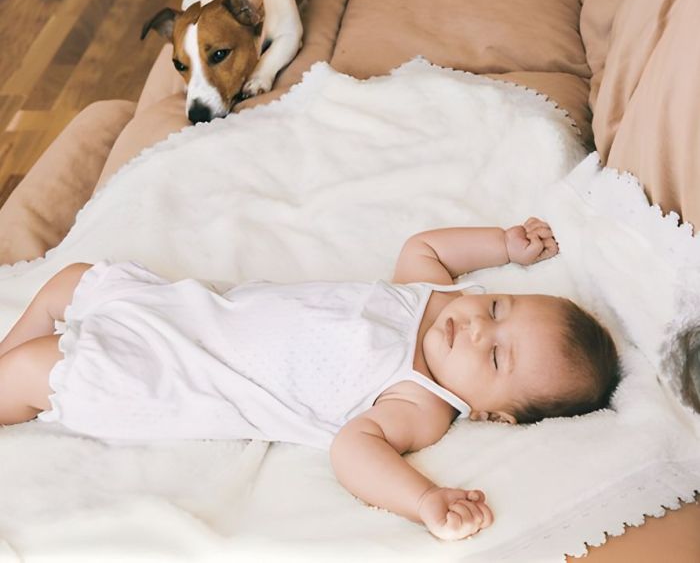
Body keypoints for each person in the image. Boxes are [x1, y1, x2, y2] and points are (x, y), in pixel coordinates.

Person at [0, 218, 620, 541]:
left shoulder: (421, 400)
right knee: (72, 281)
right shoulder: (431, 297)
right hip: (190, 311)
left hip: (182, 373)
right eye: (497, 309)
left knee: (39, 370)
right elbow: (426, 245)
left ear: (492, 413)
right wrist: (503, 245)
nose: (477, 330)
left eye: (494, 360)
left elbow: (355, 449)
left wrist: (423, 500)